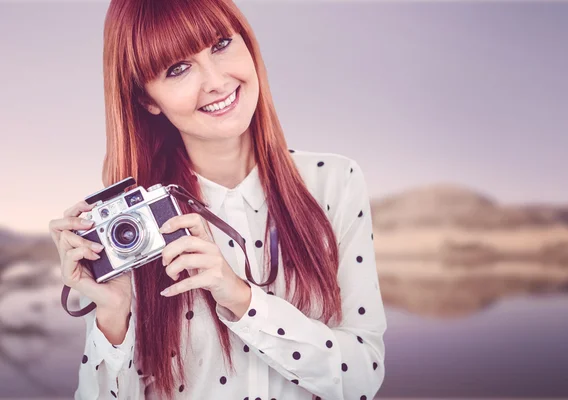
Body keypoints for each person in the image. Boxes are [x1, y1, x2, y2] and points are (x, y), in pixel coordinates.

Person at [47, 0, 387, 399]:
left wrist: (242, 300)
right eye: (178, 69)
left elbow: (363, 376)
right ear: (147, 100)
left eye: (222, 44)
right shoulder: (132, 226)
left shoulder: (334, 182)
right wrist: (112, 315)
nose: (215, 81)